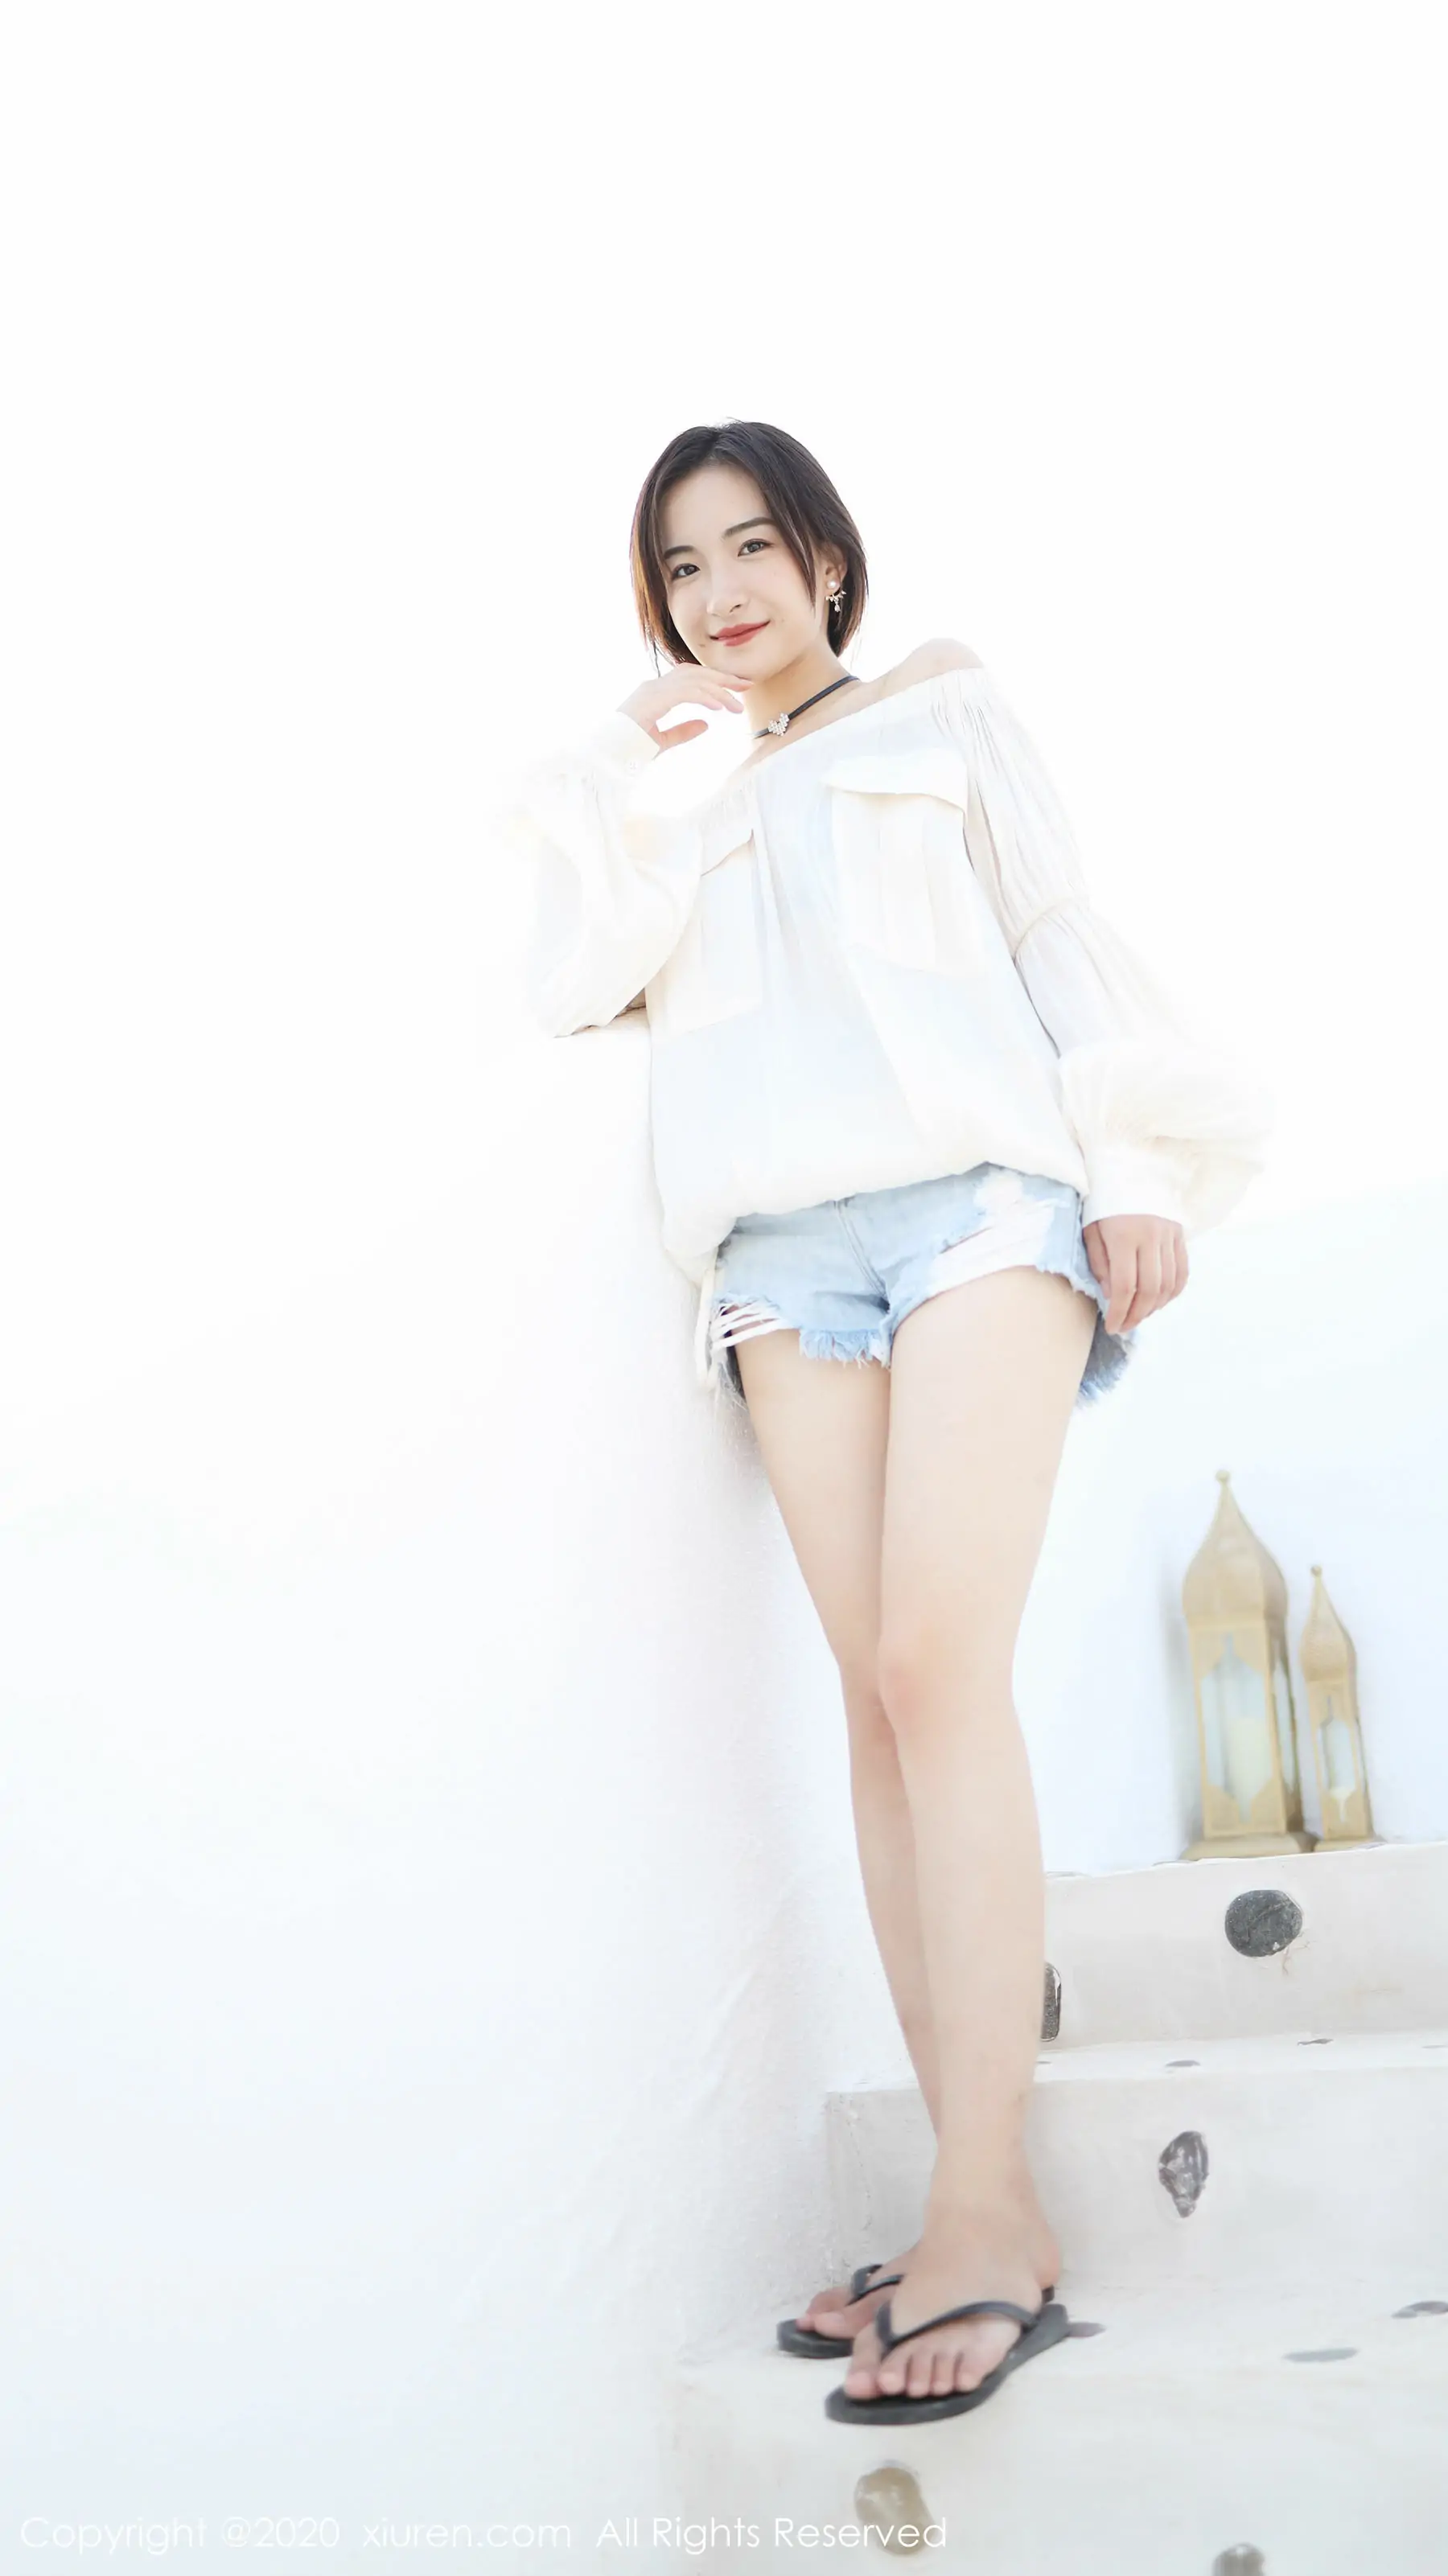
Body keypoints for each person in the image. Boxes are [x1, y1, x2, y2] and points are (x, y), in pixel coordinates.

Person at [500, 420, 1270, 2425]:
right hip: (783, 1250)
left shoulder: (945, 705)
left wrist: (1137, 1167)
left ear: (829, 556)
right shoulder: (678, 810)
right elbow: (577, 980)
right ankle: (966, 2198)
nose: (723, 590)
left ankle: (986, 2208)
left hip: (981, 1206)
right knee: (872, 1703)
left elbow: (1055, 934)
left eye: (753, 544)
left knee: (939, 1664)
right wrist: (626, 761)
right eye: (682, 567)